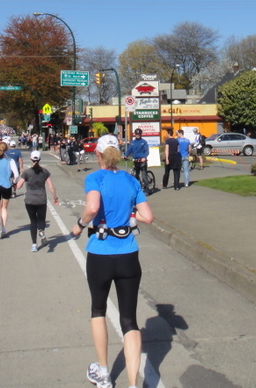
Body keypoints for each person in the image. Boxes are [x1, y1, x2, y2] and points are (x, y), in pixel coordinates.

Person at [70, 134, 154, 388]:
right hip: (128, 254)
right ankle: (132, 383)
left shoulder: (94, 178)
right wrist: (130, 216)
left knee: (98, 310)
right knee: (129, 319)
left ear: (98, 155)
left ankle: (104, 373)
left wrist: (79, 224)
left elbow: (93, 207)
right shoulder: (130, 180)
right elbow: (148, 216)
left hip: (101, 253)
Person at [14, 150, 59, 252]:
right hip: (41, 199)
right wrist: (55, 198)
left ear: (31, 159)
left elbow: (19, 186)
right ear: (40, 159)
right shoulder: (45, 172)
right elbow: (51, 187)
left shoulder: (27, 173)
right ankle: (41, 231)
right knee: (41, 219)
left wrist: (15, 184)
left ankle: (34, 244)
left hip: (30, 200)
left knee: (33, 221)